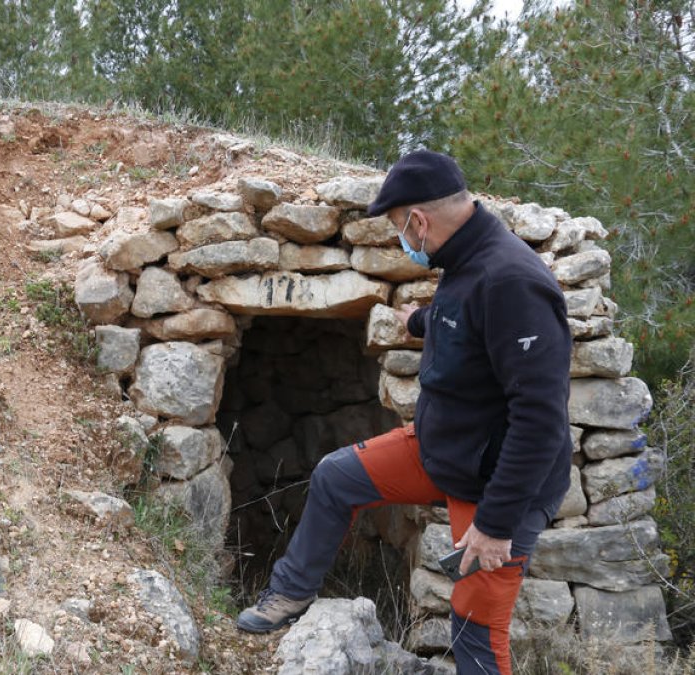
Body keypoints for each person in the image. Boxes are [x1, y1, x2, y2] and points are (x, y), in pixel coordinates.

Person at [235, 151, 572, 674]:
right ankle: (290, 594)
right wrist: (419, 320)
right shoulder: (465, 259)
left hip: (496, 483)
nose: (403, 241)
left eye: (399, 227)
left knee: (476, 632)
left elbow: (541, 420)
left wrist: (495, 523)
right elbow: (467, 320)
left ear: (419, 219)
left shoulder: (512, 281)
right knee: (335, 477)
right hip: (444, 448)